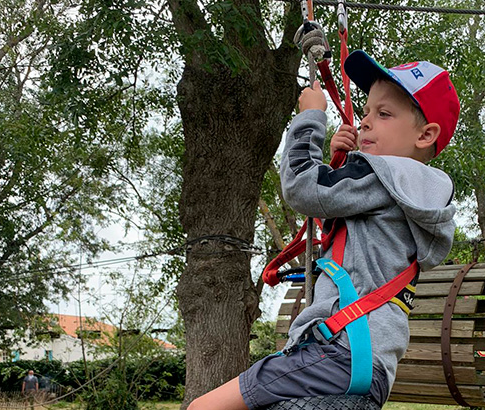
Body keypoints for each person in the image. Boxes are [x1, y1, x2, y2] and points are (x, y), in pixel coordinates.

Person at [187, 51, 459, 410]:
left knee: (202, 407)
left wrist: (311, 117)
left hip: (336, 351)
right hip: (369, 364)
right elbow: (350, 231)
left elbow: (302, 186)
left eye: (383, 114)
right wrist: (338, 161)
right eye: (365, 113)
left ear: (425, 135)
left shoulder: (385, 173)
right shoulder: (412, 193)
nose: (365, 123)